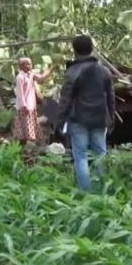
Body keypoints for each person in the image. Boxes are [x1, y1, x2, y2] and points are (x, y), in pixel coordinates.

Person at [56, 35, 115, 191]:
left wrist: (60, 121)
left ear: (74, 50)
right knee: (101, 155)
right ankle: (104, 191)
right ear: (92, 49)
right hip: (100, 118)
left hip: (78, 119)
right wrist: (112, 119)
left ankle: (86, 194)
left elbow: (65, 100)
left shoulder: (72, 72)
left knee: (80, 157)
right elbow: (111, 98)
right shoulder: (105, 71)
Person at [13, 57, 54, 144]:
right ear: (22, 66)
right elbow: (20, 94)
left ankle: (28, 145)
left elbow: (40, 78)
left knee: (29, 126)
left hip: (31, 105)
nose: (30, 65)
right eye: (28, 64)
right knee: (24, 127)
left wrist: (50, 69)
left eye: (30, 63)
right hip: (25, 107)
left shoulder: (31, 74)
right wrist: (24, 106)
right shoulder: (20, 77)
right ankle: (24, 145)